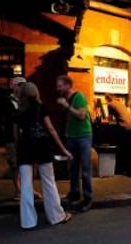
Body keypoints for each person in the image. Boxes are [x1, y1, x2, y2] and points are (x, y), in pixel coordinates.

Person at [15, 82, 72, 230]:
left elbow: (17, 134)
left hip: (24, 147)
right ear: (36, 92)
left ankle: (28, 222)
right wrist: (63, 149)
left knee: (26, 186)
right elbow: (51, 130)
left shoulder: (19, 110)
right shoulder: (41, 107)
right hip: (42, 147)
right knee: (48, 182)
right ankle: (56, 216)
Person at [56, 75, 94, 212]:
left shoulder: (79, 97)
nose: (57, 88)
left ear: (67, 85)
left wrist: (66, 106)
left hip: (83, 136)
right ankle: (74, 193)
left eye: (60, 86)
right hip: (71, 137)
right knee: (72, 168)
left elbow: (81, 115)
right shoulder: (64, 99)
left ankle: (88, 199)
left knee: (85, 169)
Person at [5, 76, 42, 201]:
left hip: (27, 138)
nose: (21, 87)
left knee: (31, 165)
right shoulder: (8, 102)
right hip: (12, 137)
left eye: (23, 85)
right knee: (16, 165)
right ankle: (18, 191)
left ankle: (29, 189)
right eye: (18, 84)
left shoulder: (27, 102)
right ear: (13, 86)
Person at [104, 93, 131, 177]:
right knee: (130, 149)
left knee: (124, 149)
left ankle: (122, 170)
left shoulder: (110, 104)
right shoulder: (120, 102)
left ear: (107, 99)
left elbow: (110, 119)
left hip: (125, 127)